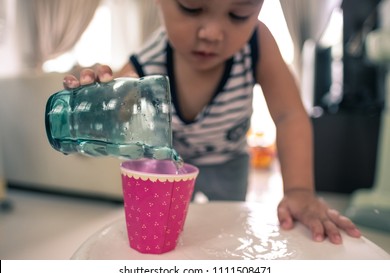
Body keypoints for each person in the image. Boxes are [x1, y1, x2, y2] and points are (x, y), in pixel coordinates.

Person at [63, 0, 361, 244]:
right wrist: (98, 97)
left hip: (229, 162)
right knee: (175, 238)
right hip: (171, 169)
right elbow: (118, 111)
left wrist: (299, 191)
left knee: (226, 233)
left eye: (238, 14)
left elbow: (289, 115)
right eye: (192, 8)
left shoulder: (258, 44)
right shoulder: (148, 61)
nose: (212, 33)